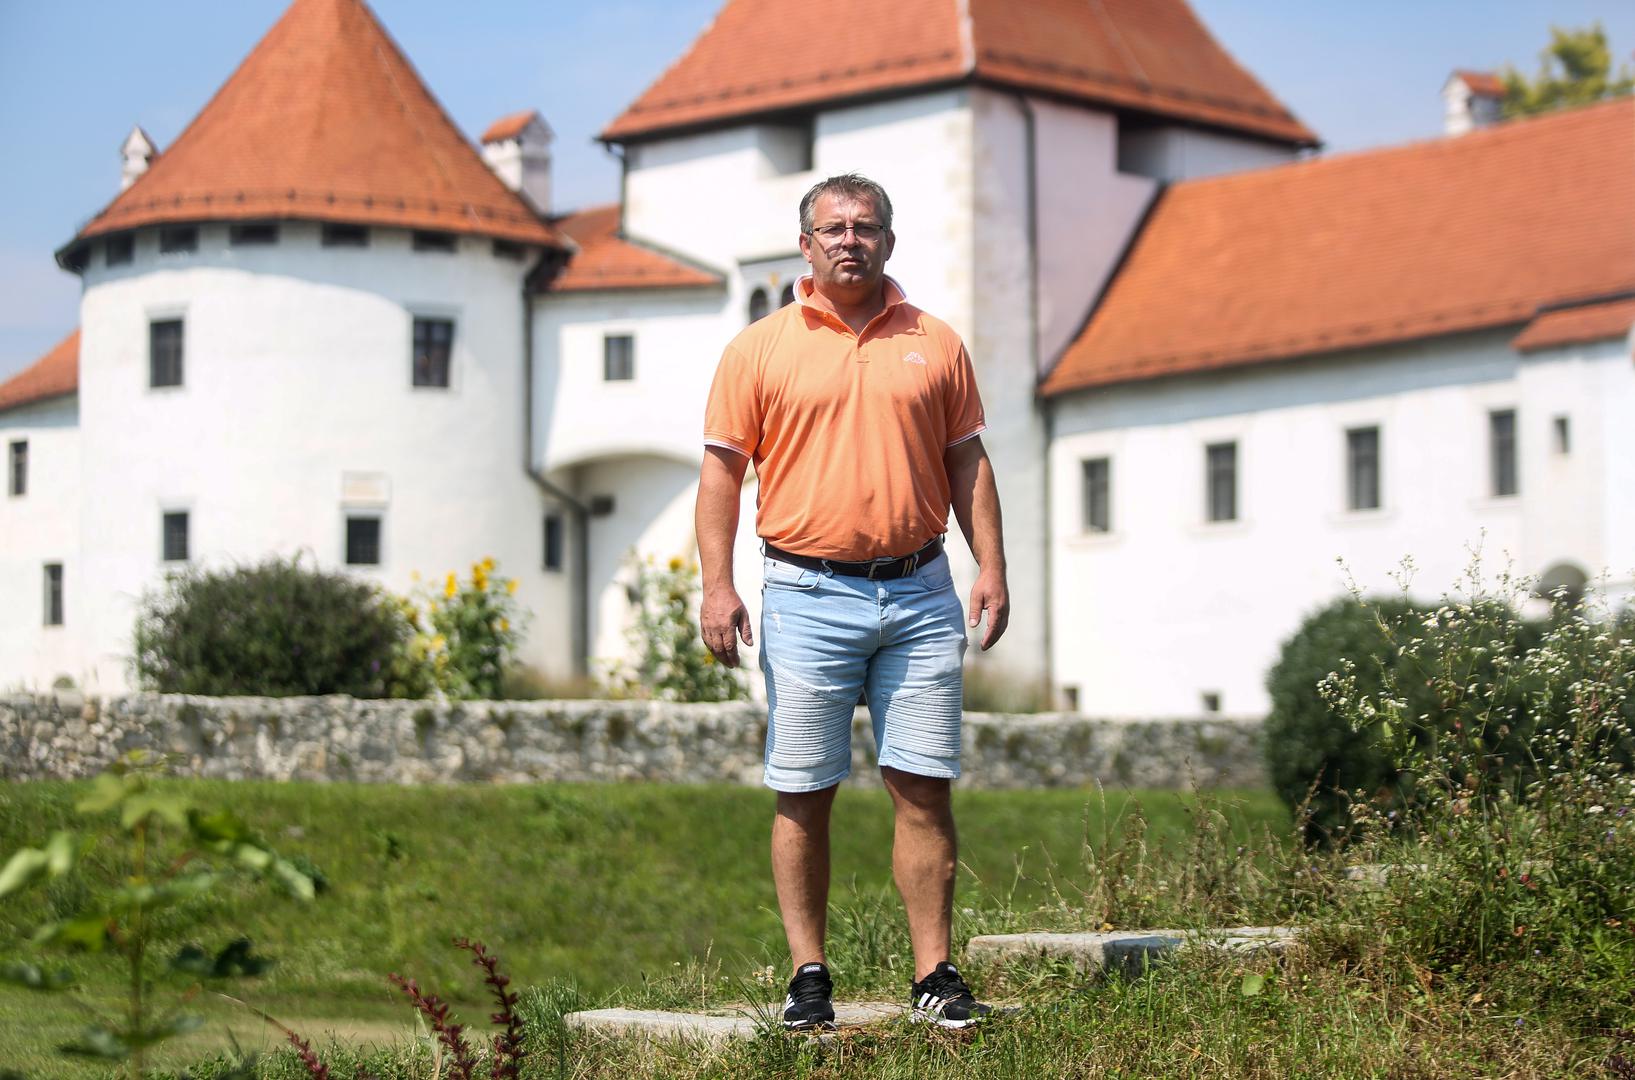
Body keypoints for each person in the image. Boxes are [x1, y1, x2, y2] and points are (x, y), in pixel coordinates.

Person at [694, 173, 1010, 1031]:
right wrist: (717, 585)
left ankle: (934, 976)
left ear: (887, 242)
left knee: (924, 786)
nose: (849, 240)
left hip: (920, 590)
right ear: (804, 246)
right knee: (803, 790)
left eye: (864, 227)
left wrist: (990, 566)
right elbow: (721, 474)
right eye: (831, 228)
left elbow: (967, 460)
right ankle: (808, 978)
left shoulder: (935, 343)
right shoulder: (758, 349)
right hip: (805, 593)